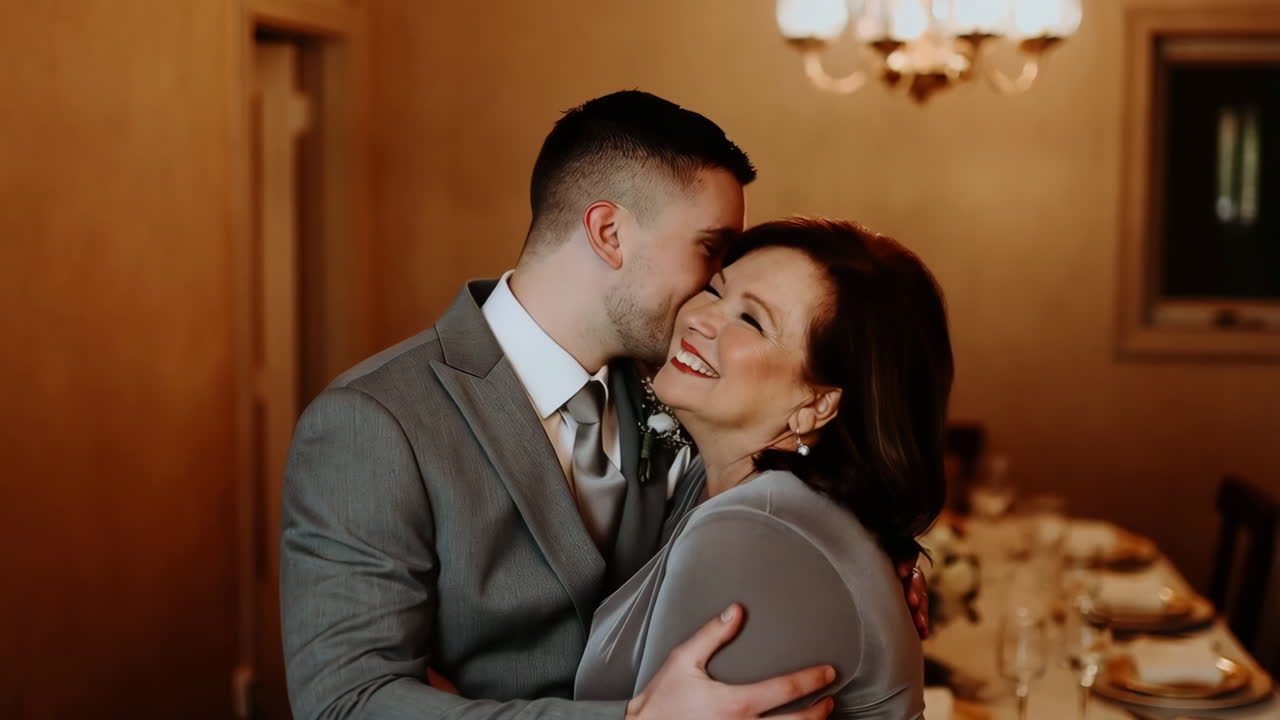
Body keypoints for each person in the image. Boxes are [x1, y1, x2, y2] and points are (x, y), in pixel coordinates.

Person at [280, 92, 928, 720]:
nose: (708, 294)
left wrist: (859, 557)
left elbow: (770, 479)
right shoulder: (372, 423)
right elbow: (345, 703)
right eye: (712, 253)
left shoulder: (683, 387)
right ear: (609, 233)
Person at [576, 218, 952, 720]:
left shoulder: (753, 532)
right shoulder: (751, 500)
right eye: (714, 289)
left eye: (751, 321)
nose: (702, 318)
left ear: (817, 405)